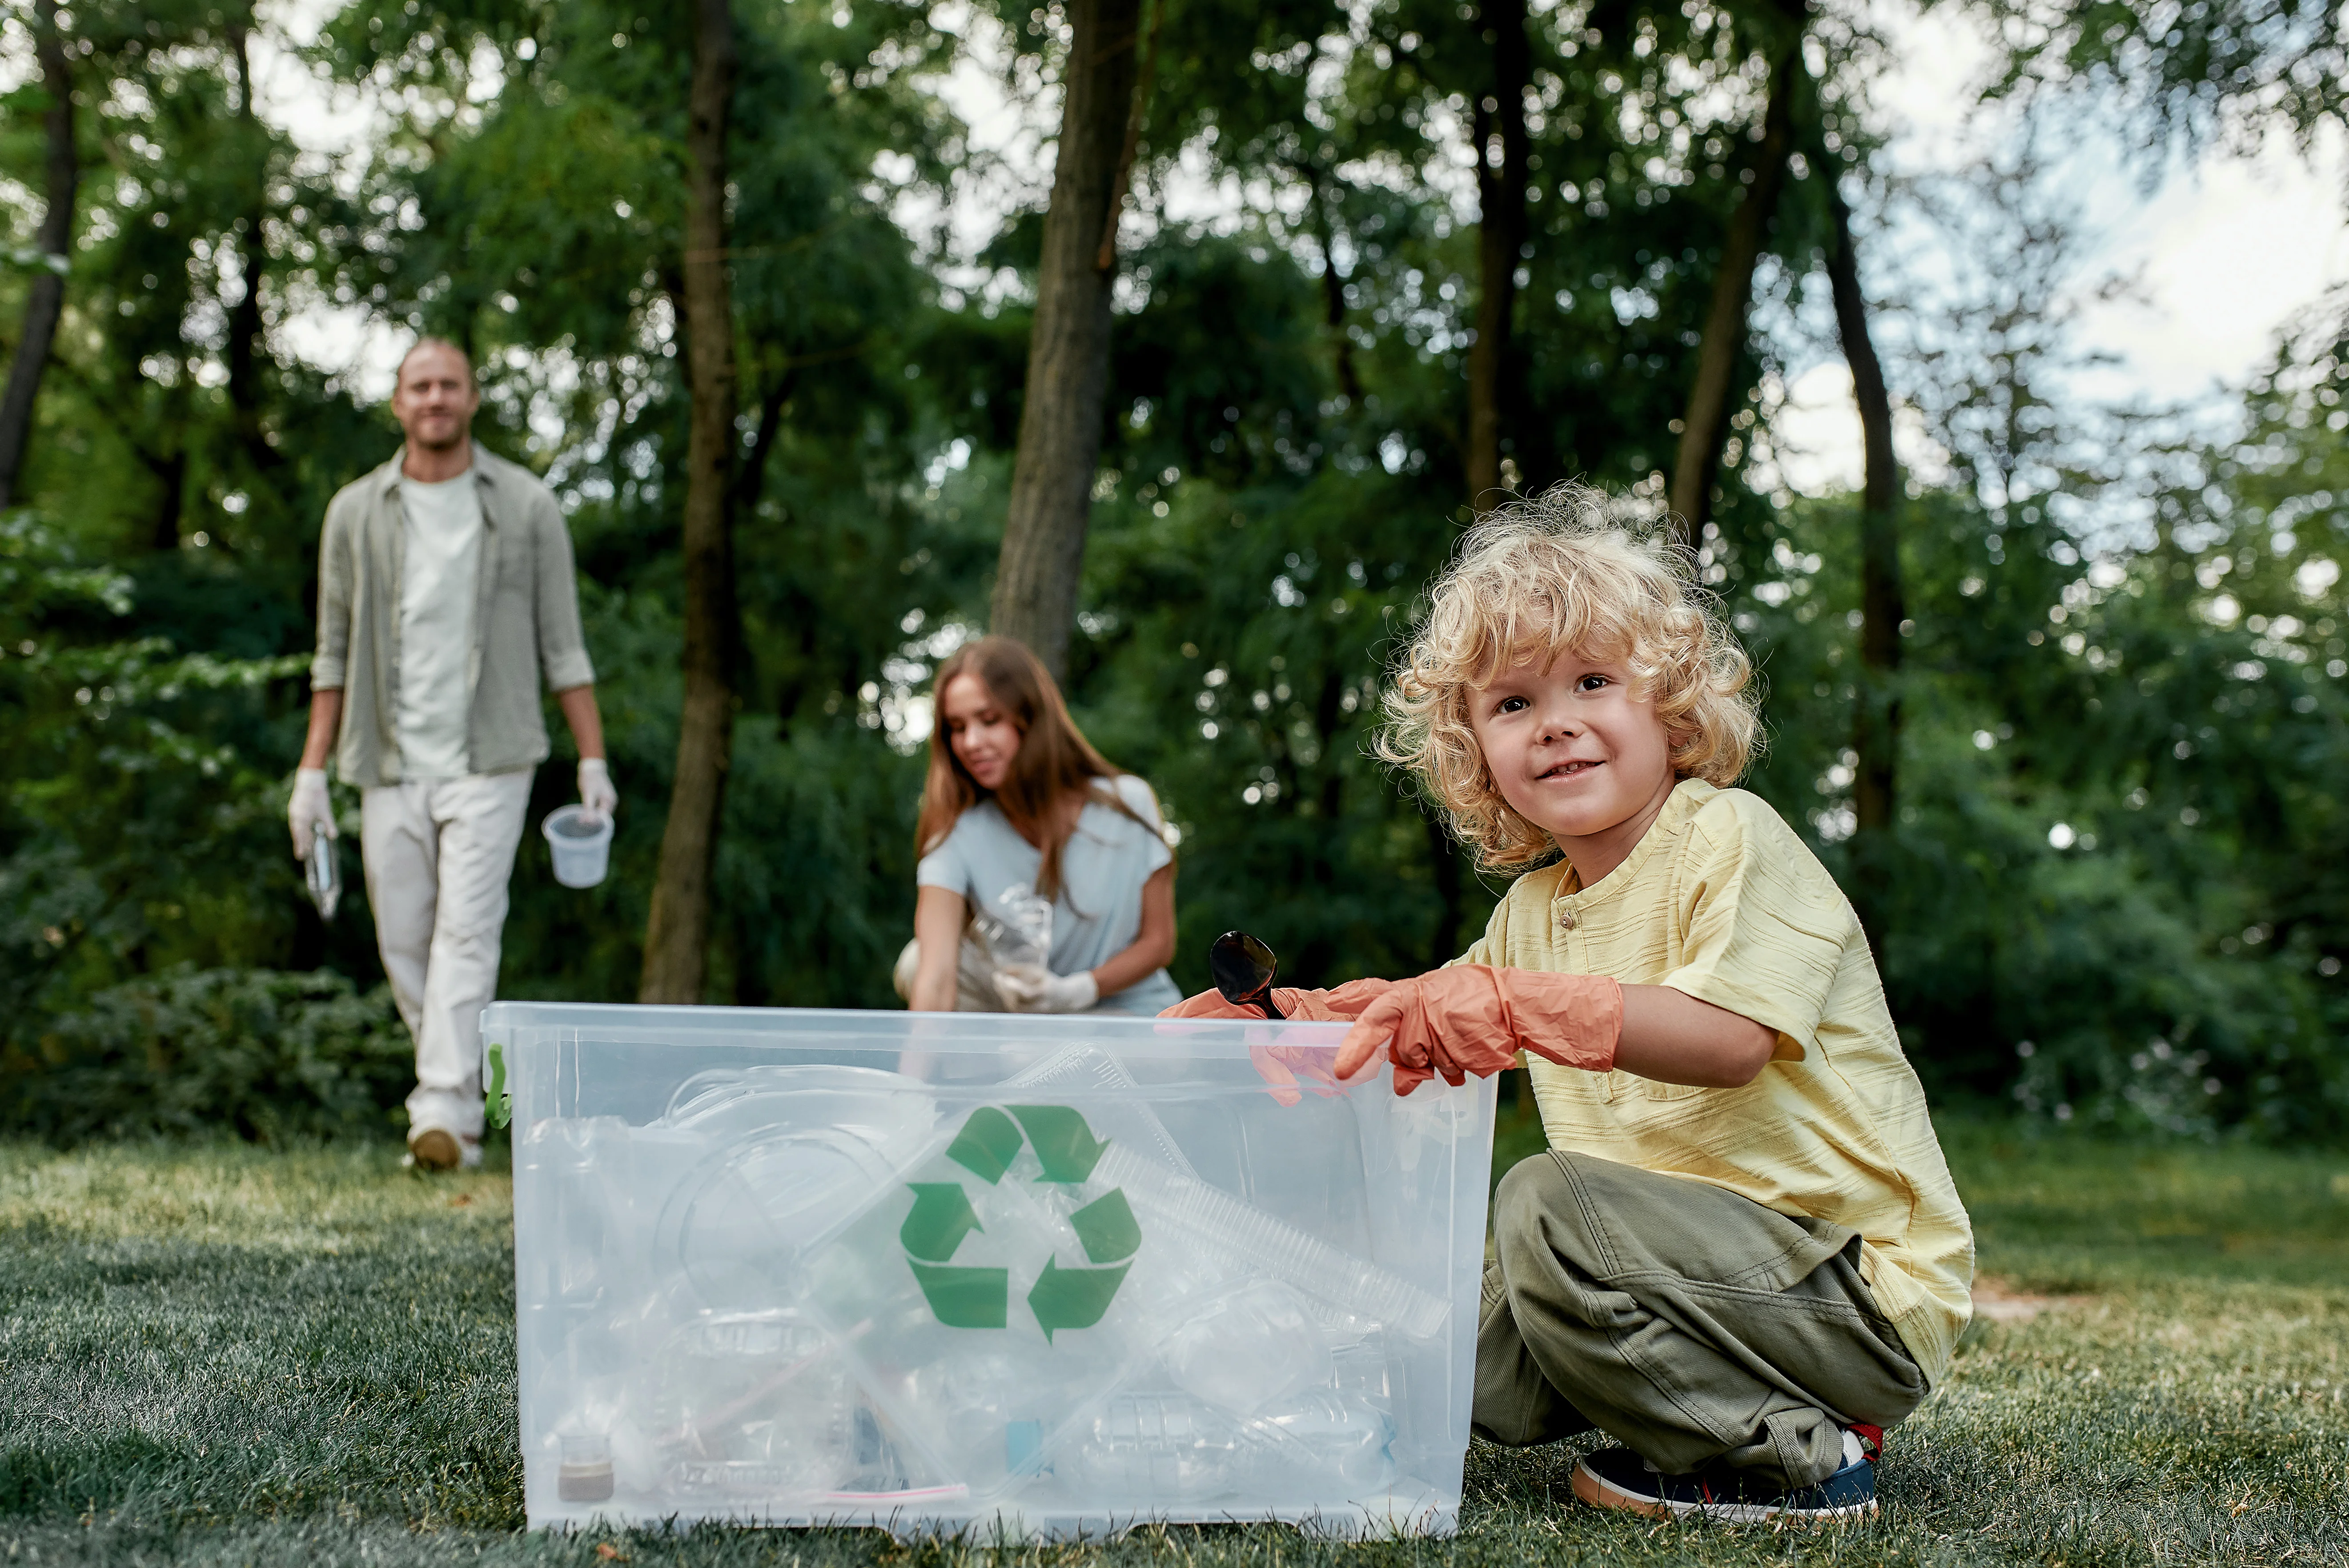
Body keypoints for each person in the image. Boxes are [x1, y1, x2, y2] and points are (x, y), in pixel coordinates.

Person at [1165, 485, 1972, 1523]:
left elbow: (1729, 1040)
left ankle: (1798, 1451)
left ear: (1668, 703)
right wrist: (1287, 1019)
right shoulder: (1531, 912)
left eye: (1591, 680)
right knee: (1455, 1356)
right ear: (1475, 752)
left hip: (1855, 1293)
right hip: (1696, 1283)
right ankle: (1286, 1410)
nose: (1554, 725)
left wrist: (1505, 1007)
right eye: (1512, 703)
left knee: (1544, 1203)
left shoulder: (1729, 836)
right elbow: (1435, 1010)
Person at [287, 337, 617, 1172]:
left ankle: (438, 1109)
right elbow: (330, 653)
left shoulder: (528, 505)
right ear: (397, 403)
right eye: (419, 385)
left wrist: (592, 761)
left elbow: (564, 648)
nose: (435, 398)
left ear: (472, 399)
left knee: (467, 934)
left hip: (493, 757)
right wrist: (312, 773)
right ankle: (461, 1106)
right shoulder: (354, 512)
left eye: (450, 385)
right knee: (405, 942)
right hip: (386, 760)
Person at [896, 636, 1179, 1016]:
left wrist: (1078, 990)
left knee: (1142, 1056)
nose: (971, 742)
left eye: (989, 720)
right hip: (1023, 1017)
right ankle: (995, 1066)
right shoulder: (958, 834)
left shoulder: (1130, 802)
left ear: (1030, 718)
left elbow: (1159, 942)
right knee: (915, 962)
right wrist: (911, 1078)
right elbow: (934, 977)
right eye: (957, 727)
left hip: (1121, 1014)